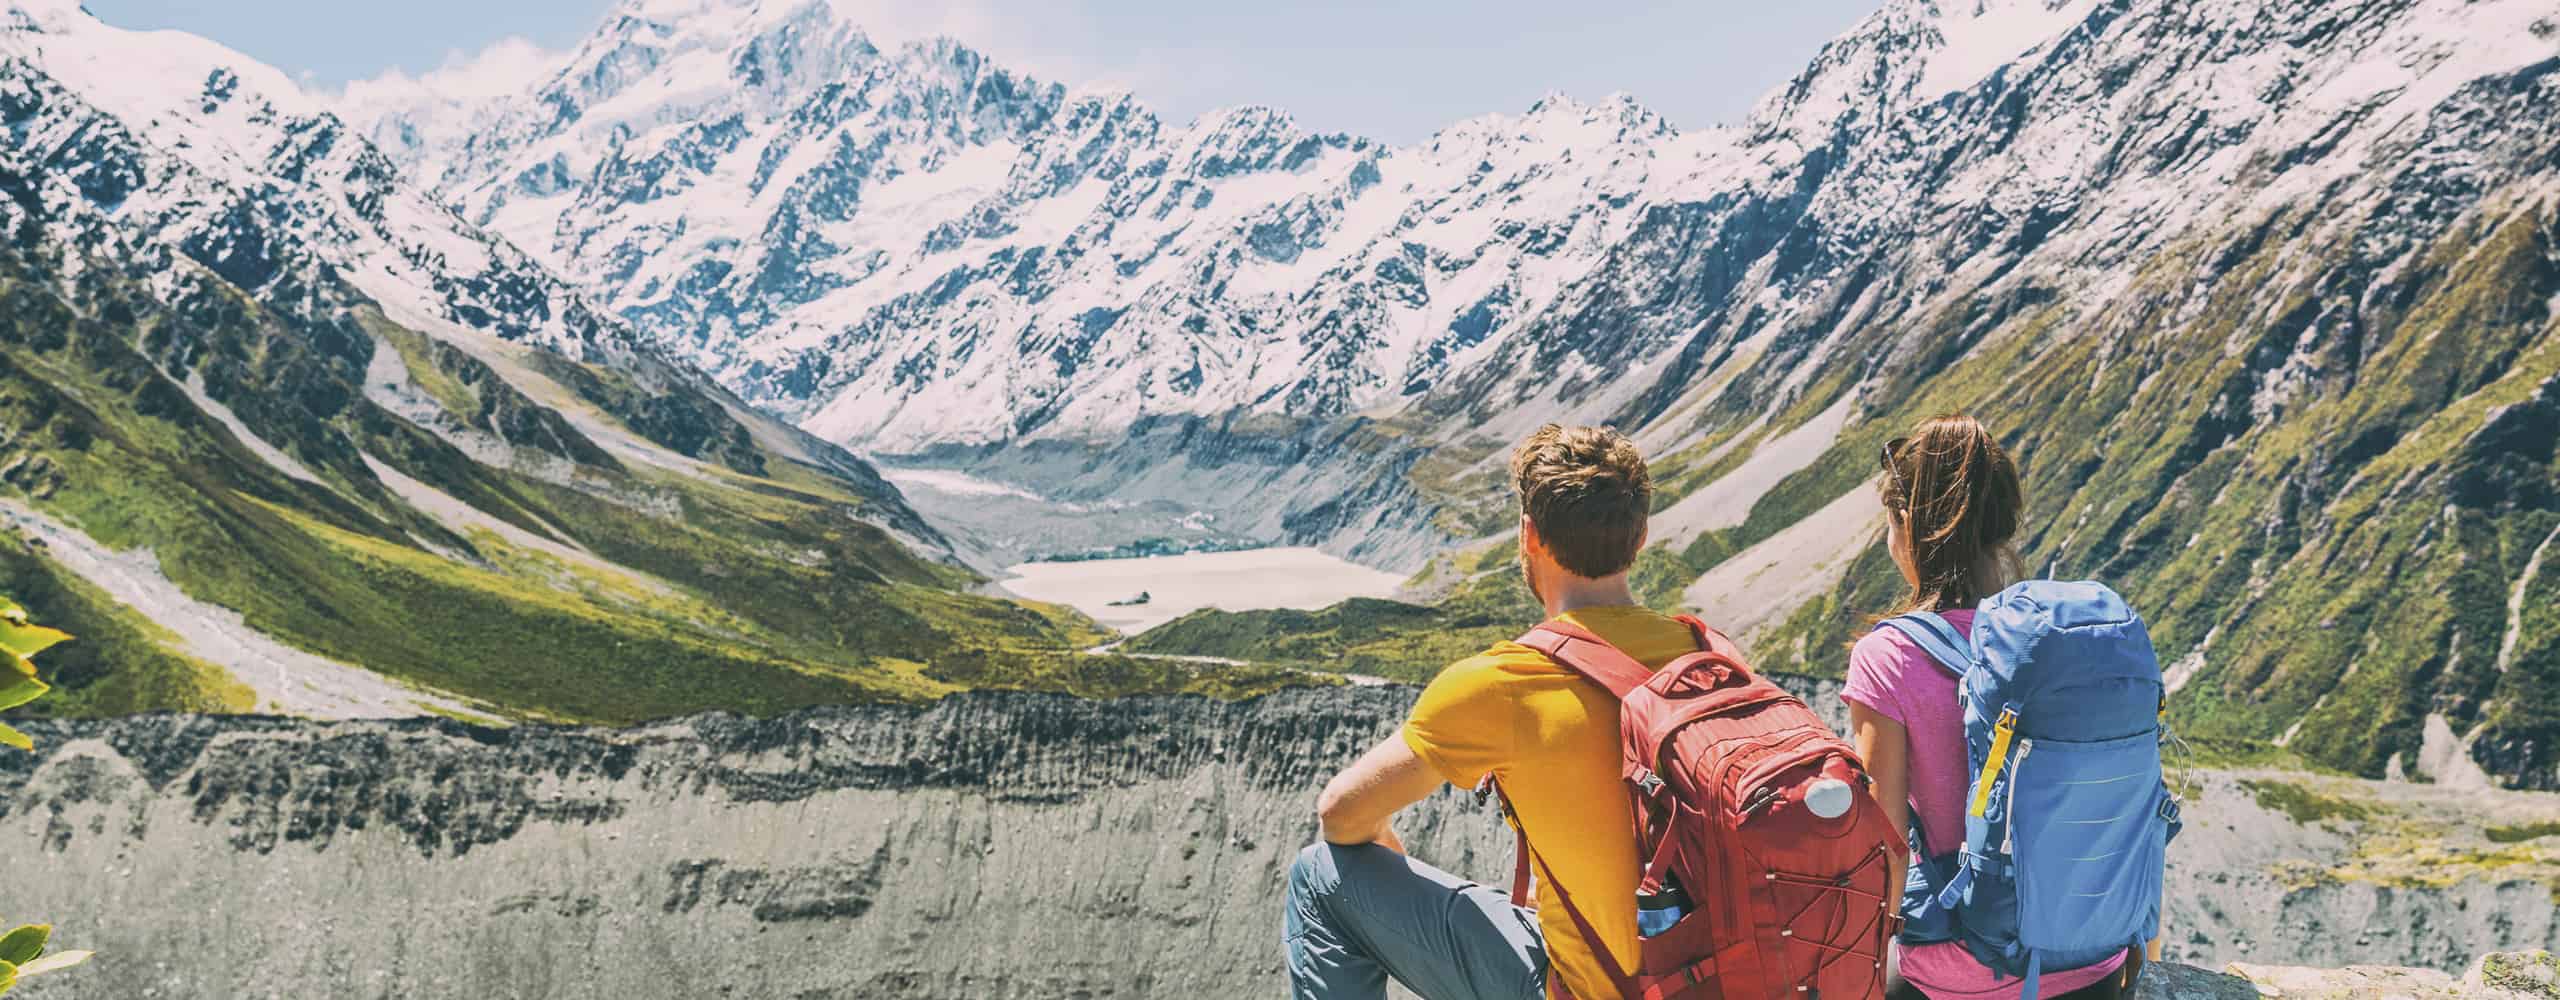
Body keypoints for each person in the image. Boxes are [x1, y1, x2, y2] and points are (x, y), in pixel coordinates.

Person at [1281, 424, 1692, 1000]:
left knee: (1318, 876)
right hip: (1718, 977)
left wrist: (1382, 843)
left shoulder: (1502, 683)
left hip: (1594, 989)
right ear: (1641, 535)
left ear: (1529, 536)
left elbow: (1340, 815)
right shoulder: (1712, 655)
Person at [1844, 414, 2147, 1000]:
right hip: (2096, 959)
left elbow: (1882, 854)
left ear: (1906, 524)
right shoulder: (2069, 643)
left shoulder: (1890, 655)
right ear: (2004, 524)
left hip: (1963, 972)